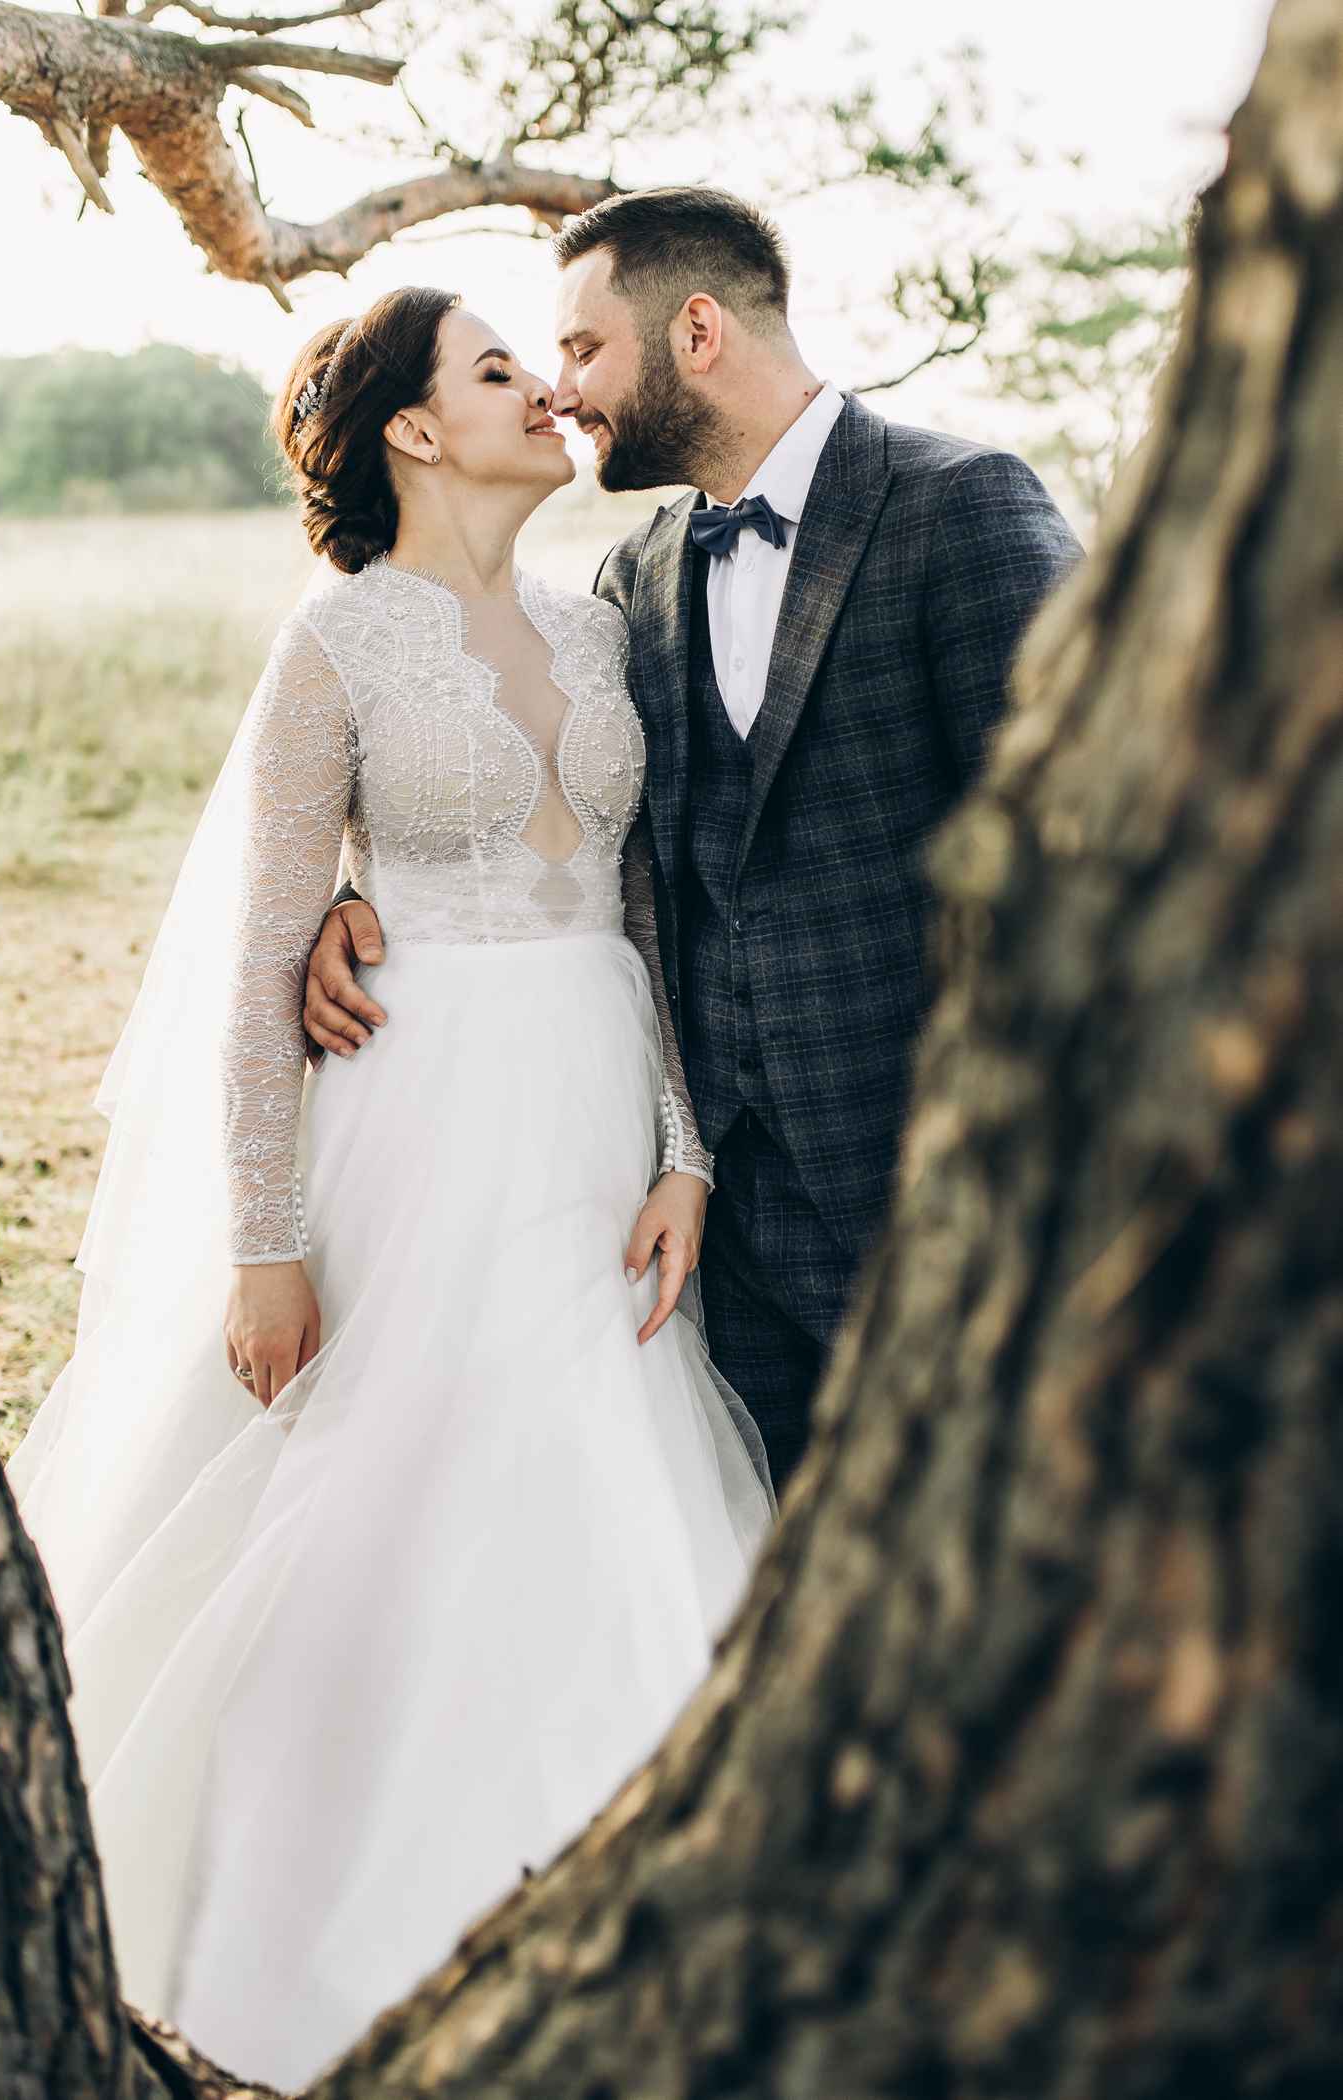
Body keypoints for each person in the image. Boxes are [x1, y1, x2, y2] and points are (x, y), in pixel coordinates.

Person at [5, 284, 773, 2092]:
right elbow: (265, 963)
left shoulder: (598, 626)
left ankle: (625, 1915)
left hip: (597, 1109)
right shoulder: (337, 645)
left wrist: (683, 1151)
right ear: (417, 432)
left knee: (601, 1466)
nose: (546, 394)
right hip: (417, 1111)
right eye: (502, 371)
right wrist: (266, 1243)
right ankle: (326, 1937)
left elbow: (640, 913)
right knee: (392, 1484)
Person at [305, 188, 1084, 1492]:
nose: (561, 392)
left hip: (933, 1197)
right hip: (707, 1224)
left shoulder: (962, 507)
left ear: (700, 332)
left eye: (584, 349)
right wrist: (356, 889)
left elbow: (1081, 859)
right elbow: (564, 814)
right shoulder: (636, 581)